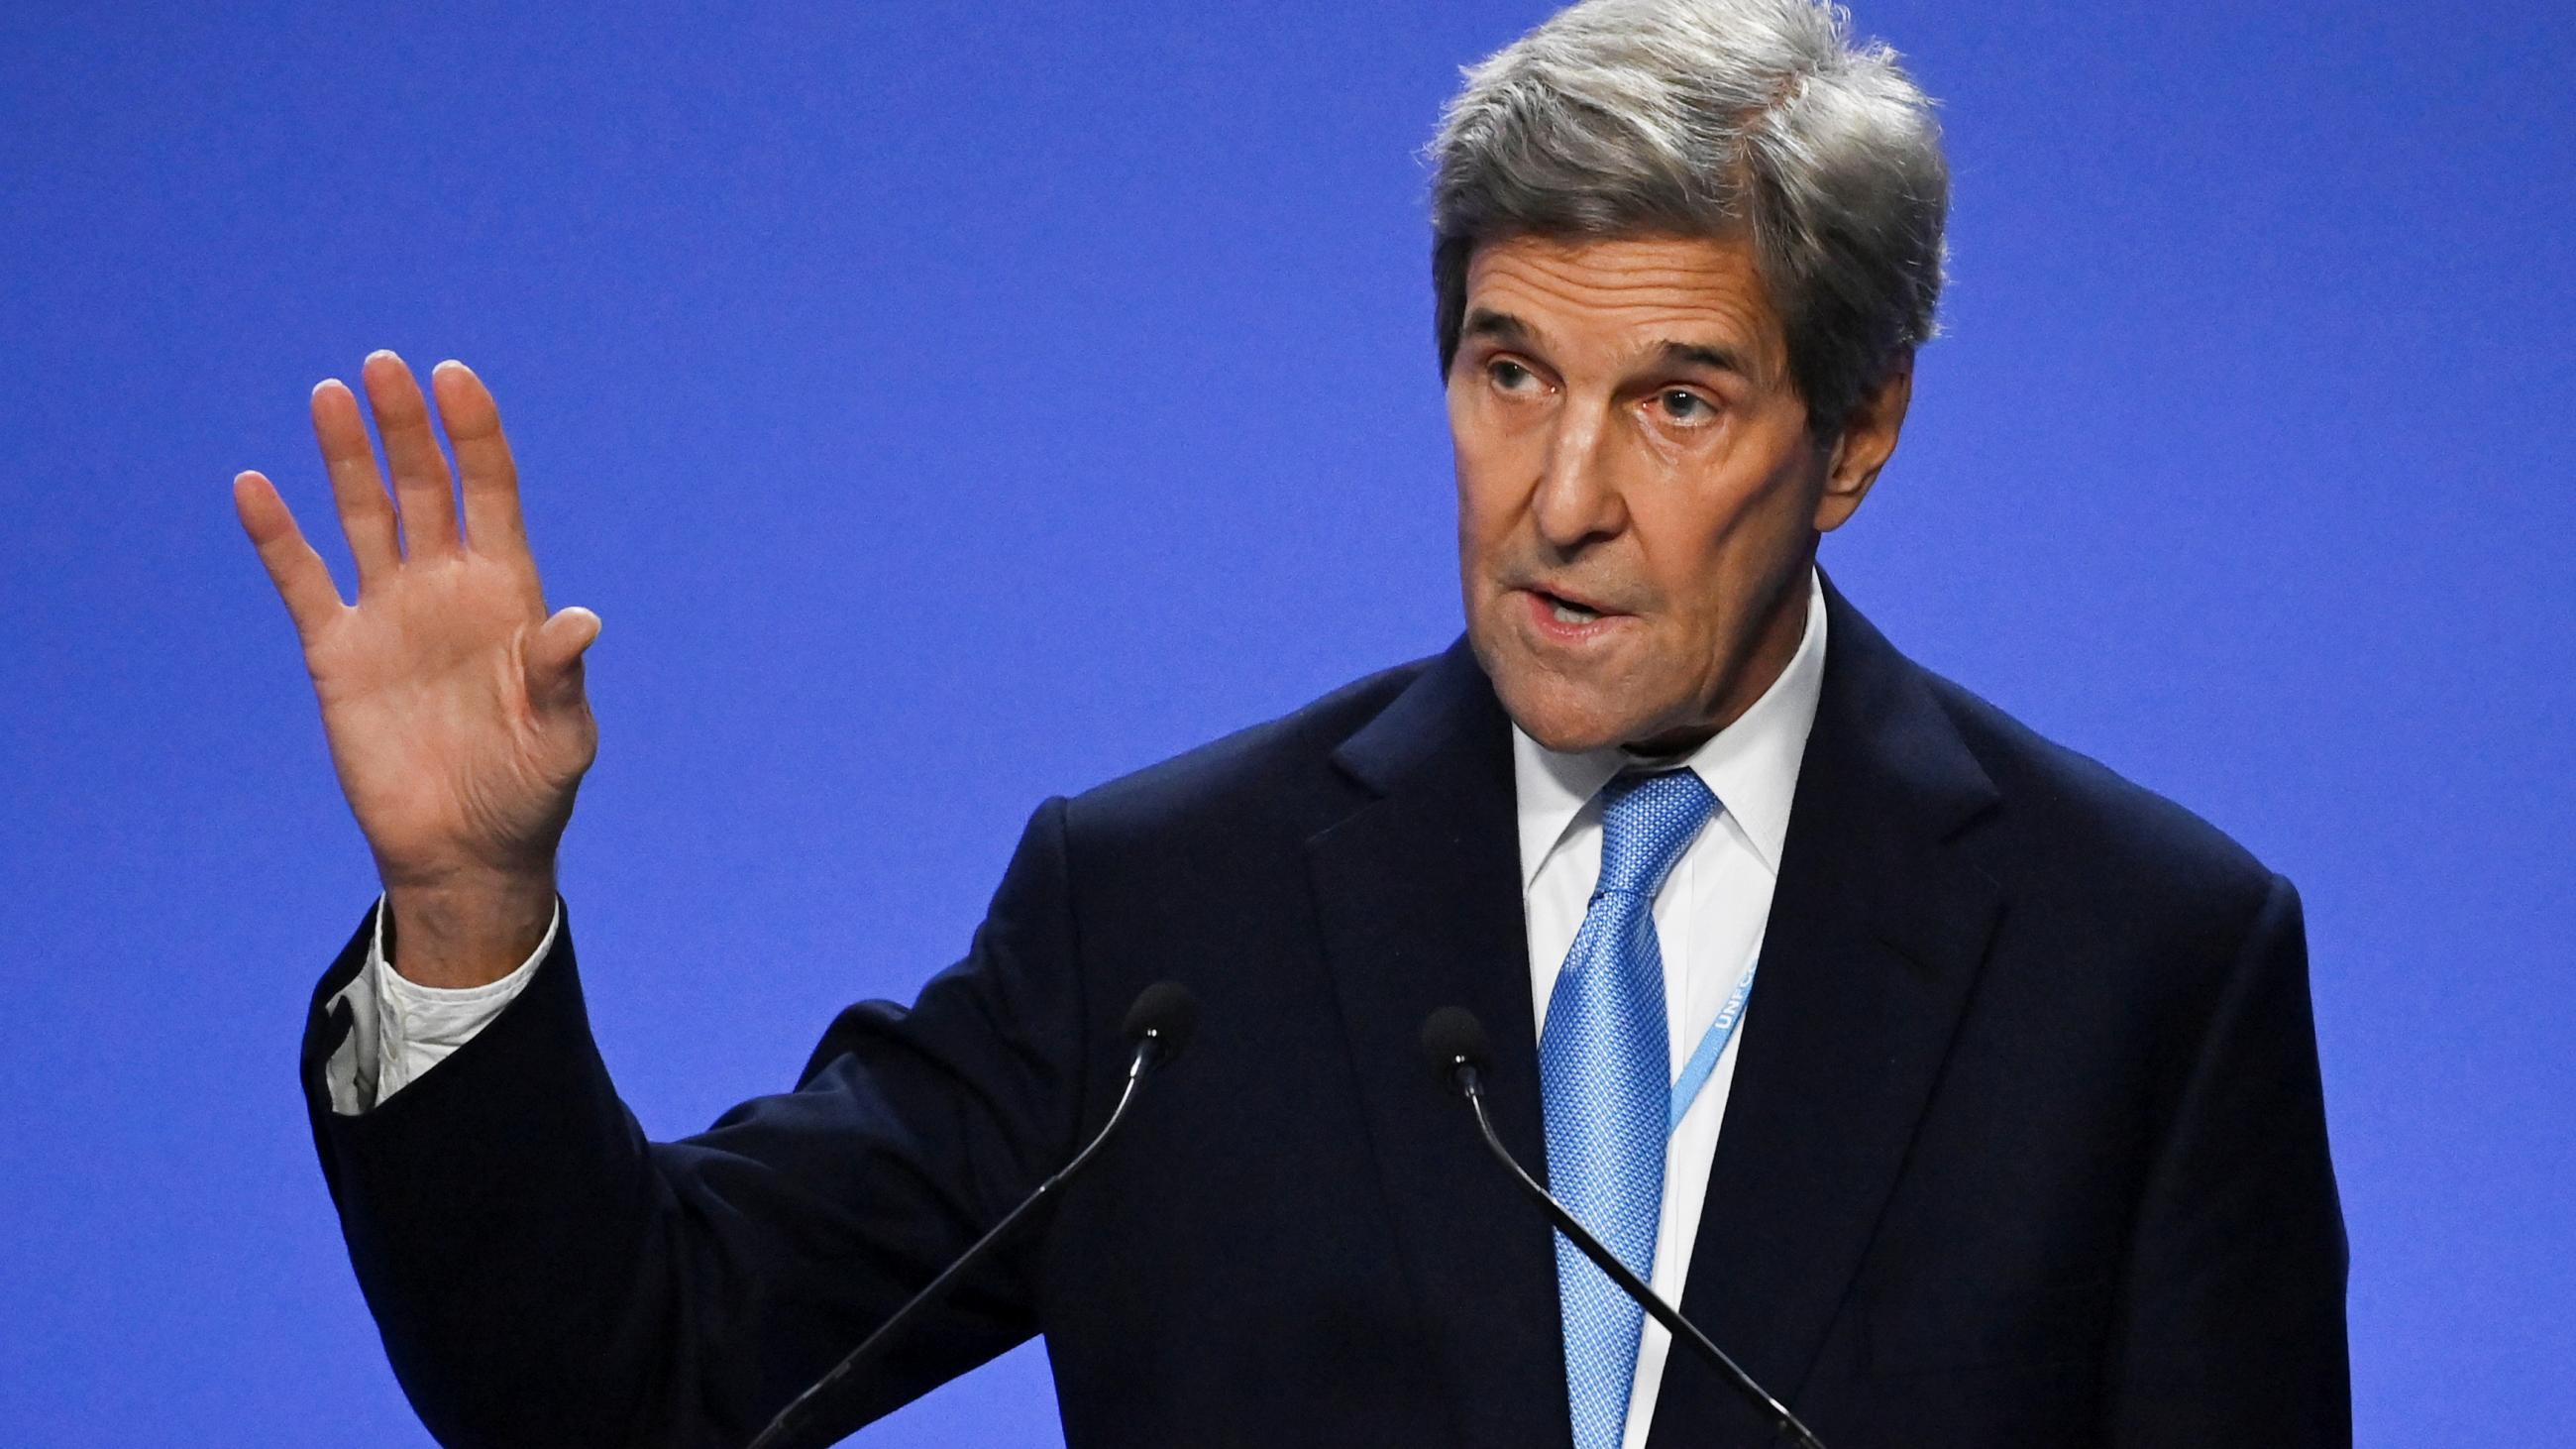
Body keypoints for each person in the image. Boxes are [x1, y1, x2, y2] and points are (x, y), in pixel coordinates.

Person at [236, 1, 2349, 1445]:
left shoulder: (2138, 958)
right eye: (1507, 370)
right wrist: (465, 913)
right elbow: (637, 1375)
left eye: (1677, 399)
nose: (1562, 493)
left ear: (1856, 433)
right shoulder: (1165, 919)